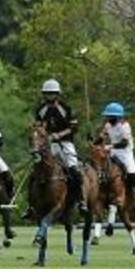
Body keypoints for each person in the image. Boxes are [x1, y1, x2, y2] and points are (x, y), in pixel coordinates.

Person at [34, 78, 85, 211]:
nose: (49, 96)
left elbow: (73, 128)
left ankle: (81, 200)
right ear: (44, 94)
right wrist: (42, 133)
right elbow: (39, 126)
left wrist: (58, 135)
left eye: (52, 93)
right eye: (47, 93)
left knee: (74, 170)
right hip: (48, 145)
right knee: (36, 171)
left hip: (65, 143)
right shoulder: (41, 109)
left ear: (57, 94)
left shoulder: (66, 108)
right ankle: (32, 204)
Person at [98, 102, 135, 208]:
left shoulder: (125, 126)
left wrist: (109, 146)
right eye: (107, 116)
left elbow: (124, 143)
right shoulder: (107, 125)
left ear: (117, 116)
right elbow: (101, 138)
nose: (108, 118)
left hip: (125, 153)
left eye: (110, 116)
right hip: (113, 153)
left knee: (132, 173)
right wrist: (94, 143)